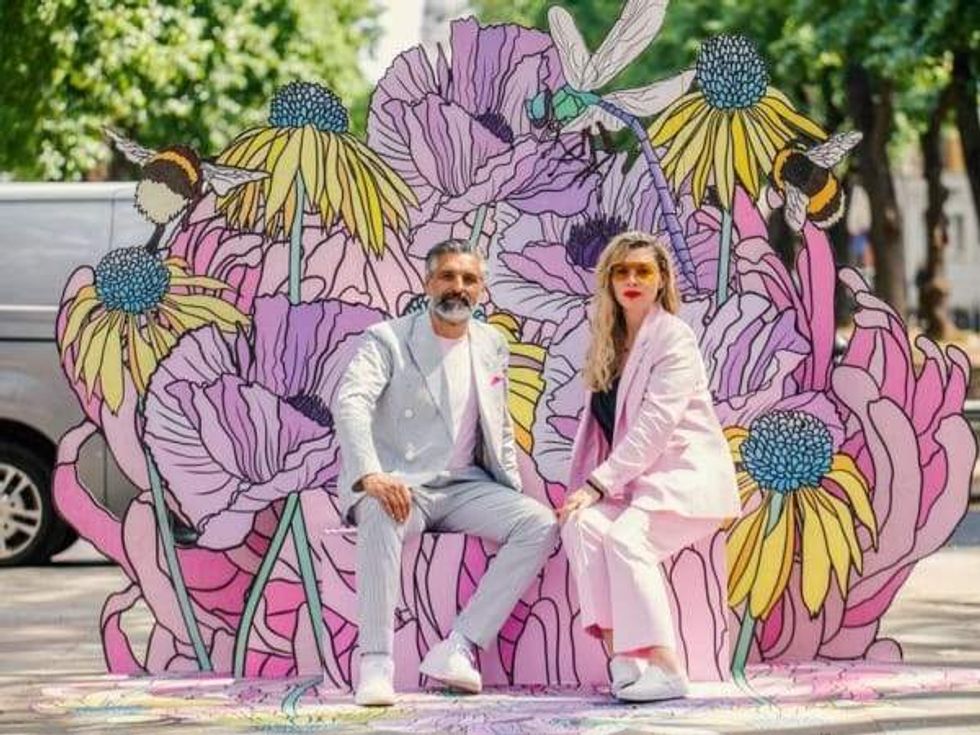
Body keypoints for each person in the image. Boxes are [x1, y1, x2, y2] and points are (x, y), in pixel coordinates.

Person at [332, 239, 559, 707]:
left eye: (469, 279)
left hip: (465, 486)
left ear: (481, 289)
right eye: (448, 277)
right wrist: (371, 475)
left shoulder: (493, 342)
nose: (459, 287)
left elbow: (498, 424)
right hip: (401, 485)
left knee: (539, 522)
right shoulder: (387, 338)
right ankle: (375, 662)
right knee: (377, 509)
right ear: (427, 282)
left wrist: (511, 490)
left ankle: (458, 646)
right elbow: (351, 402)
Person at [557, 231, 740, 702]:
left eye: (643, 271)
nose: (632, 280)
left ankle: (666, 667)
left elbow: (656, 425)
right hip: (636, 486)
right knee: (583, 526)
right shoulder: (607, 341)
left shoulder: (674, 337)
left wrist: (597, 484)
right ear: (609, 281)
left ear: (661, 282)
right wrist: (590, 493)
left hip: (683, 478)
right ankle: (626, 659)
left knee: (626, 538)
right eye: (622, 271)